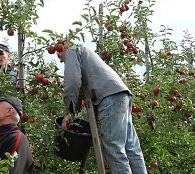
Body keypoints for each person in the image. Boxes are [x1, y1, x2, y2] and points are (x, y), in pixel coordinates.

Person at [57, 44, 147, 174]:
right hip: (121, 95)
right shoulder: (84, 54)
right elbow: (80, 85)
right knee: (131, 147)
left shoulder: (71, 51)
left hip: (109, 97)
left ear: (64, 46)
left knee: (114, 148)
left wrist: (69, 111)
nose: (60, 59)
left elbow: (73, 81)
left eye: (59, 54)